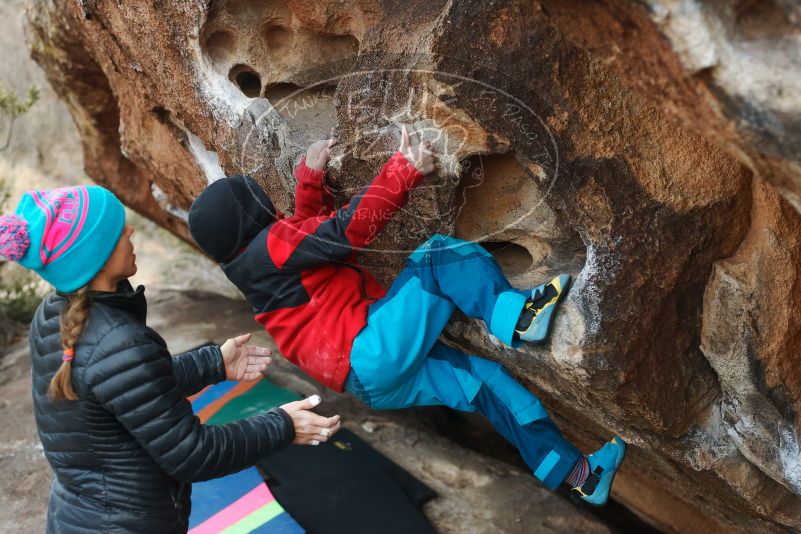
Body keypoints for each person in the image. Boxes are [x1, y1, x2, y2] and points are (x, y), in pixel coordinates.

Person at [188, 127, 627, 505]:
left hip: (368, 383)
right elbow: (343, 234)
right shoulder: (271, 245)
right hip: (368, 349)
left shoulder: (253, 264)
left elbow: (311, 240)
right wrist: (404, 168)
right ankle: (518, 317)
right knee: (439, 257)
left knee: (486, 384)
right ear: (250, 213)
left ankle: (579, 476)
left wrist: (310, 179)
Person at [0, 185, 340, 533]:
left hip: (79, 515)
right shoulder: (120, 341)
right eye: (119, 230)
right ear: (96, 256)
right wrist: (282, 426)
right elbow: (193, 454)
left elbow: (124, 388)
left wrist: (213, 364)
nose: (130, 230)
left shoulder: (52, 315)